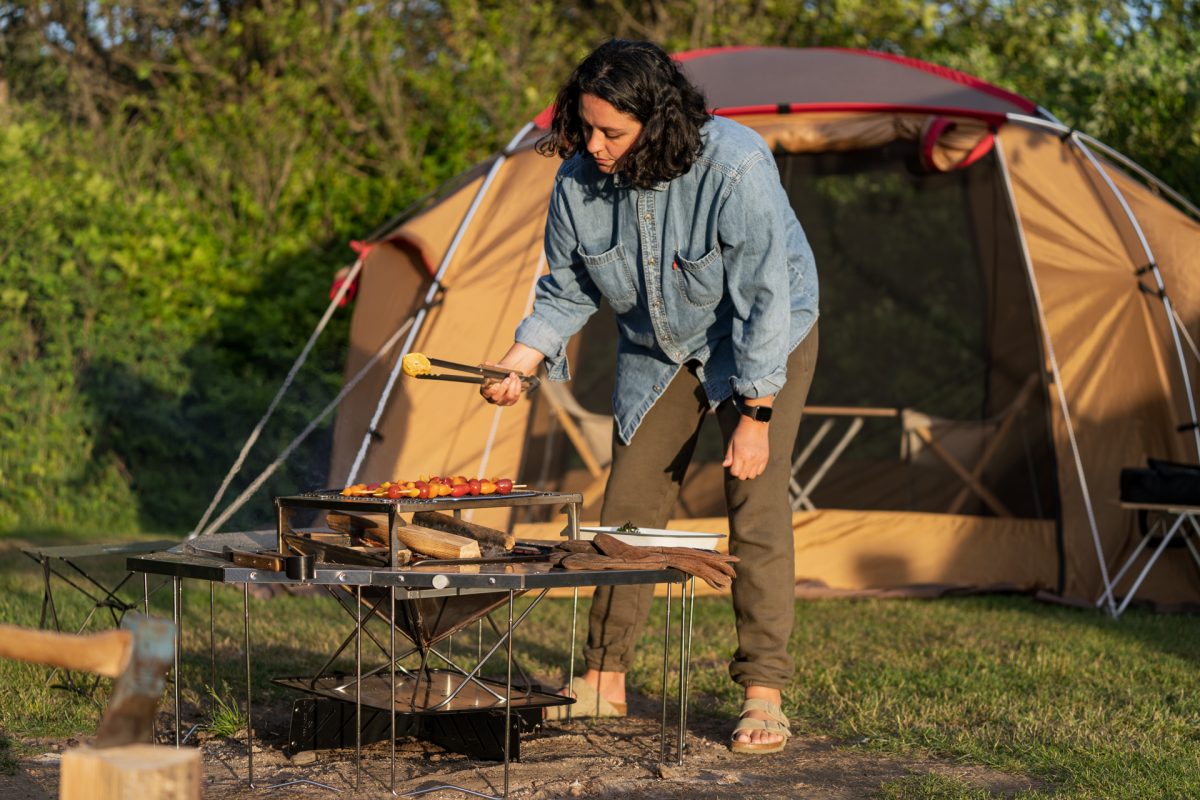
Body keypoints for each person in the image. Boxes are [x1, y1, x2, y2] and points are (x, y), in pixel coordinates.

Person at [480, 39, 818, 755]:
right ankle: (603, 679)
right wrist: (518, 362)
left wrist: (754, 417)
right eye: (587, 128)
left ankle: (764, 691)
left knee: (754, 505)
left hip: (762, 336)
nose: (594, 147)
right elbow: (566, 288)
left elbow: (765, 298)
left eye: (612, 133)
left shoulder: (736, 163)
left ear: (656, 122)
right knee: (628, 512)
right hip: (657, 347)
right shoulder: (577, 182)